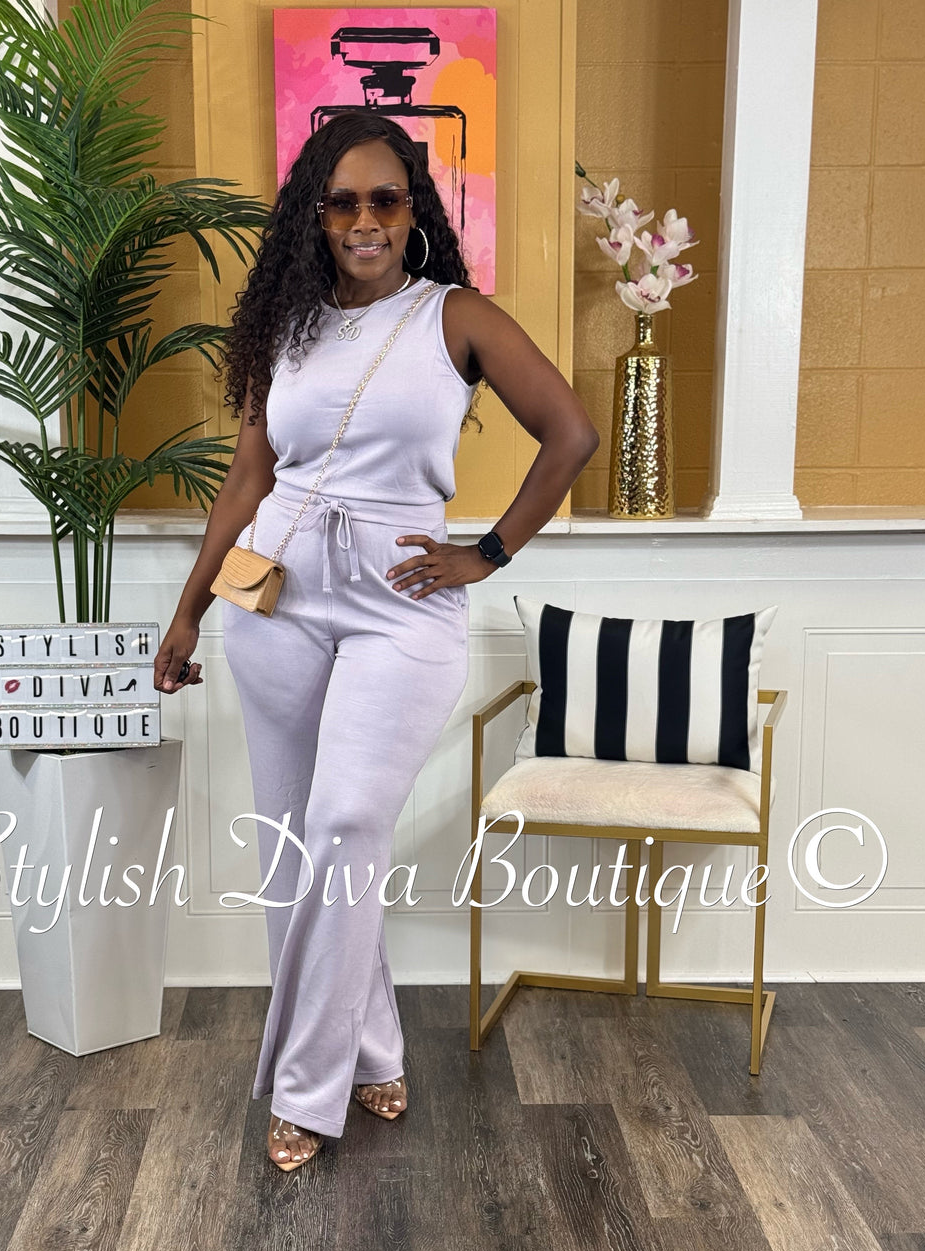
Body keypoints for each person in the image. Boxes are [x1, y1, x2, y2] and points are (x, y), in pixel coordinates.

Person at [154, 111, 599, 1171]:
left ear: (415, 210)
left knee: (347, 822)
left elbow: (571, 434)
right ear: (316, 216)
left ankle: (305, 1091)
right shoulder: (288, 328)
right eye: (344, 202)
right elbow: (249, 478)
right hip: (278, 603)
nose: (366, 220)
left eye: (386, 199)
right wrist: (189, 609)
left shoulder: (456, 317)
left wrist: (485, 553)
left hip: (402, 606)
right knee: (297, 846)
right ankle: (372, 1047)